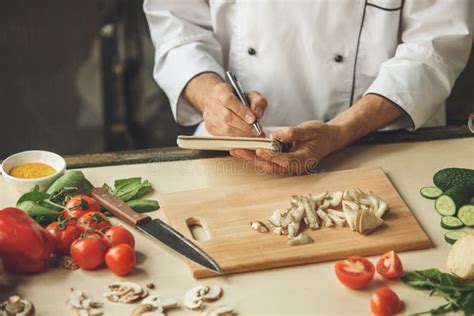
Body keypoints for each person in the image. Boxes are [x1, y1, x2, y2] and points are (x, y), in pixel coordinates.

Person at [144, 0, 472, 174]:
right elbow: (176, 21)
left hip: (378, 142)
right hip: (238, 149)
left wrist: (342, 130)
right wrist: (210, 95)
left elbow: (434, 44)